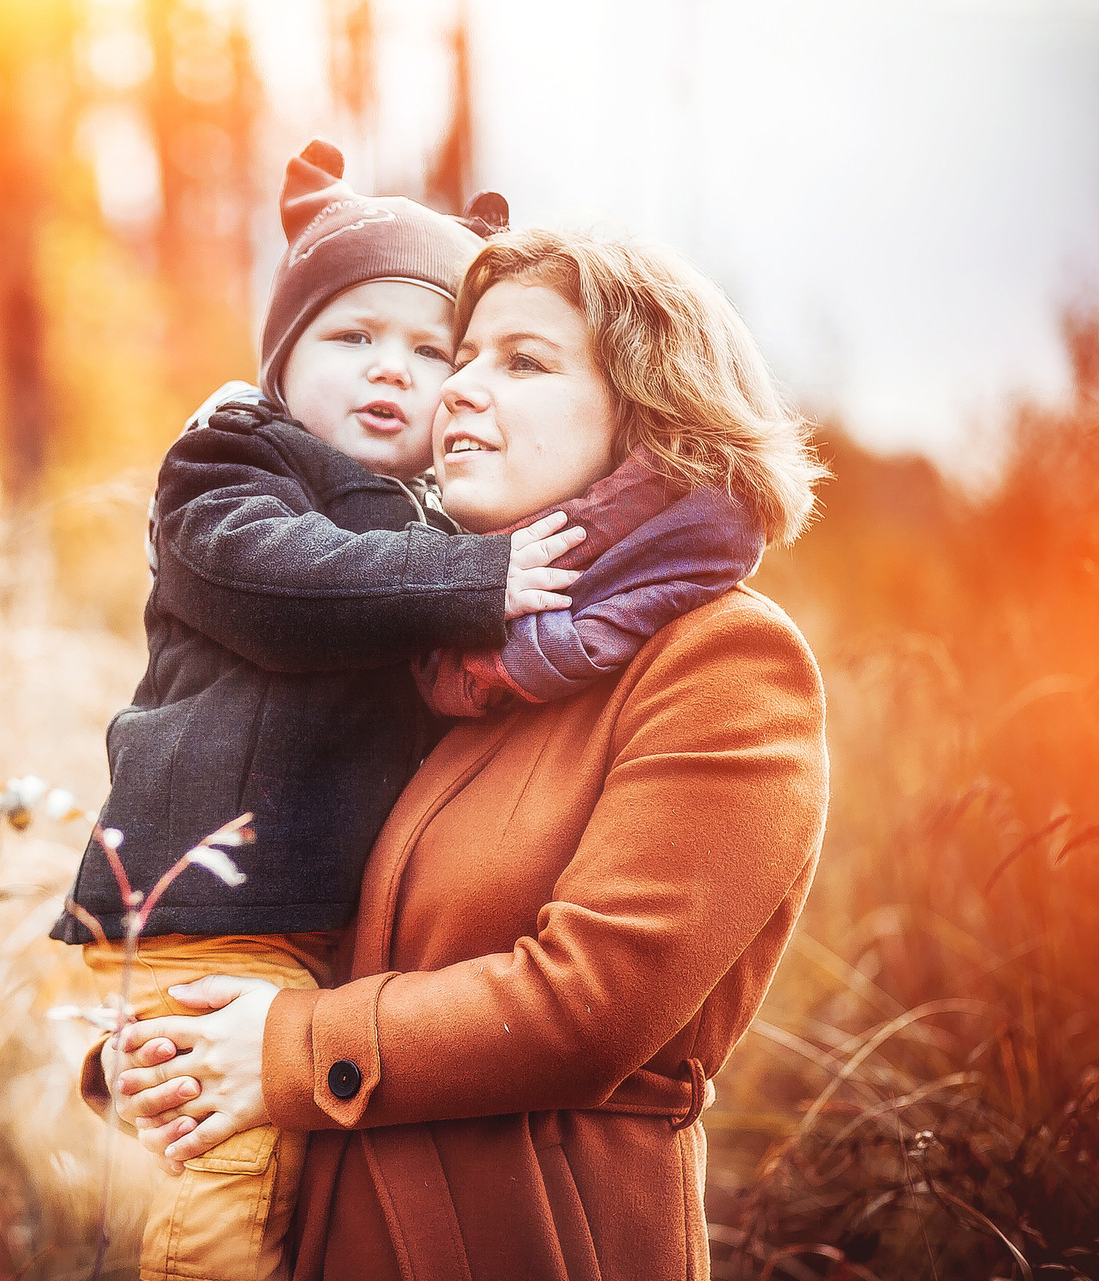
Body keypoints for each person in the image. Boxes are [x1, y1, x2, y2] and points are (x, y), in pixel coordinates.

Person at [99, 228, 832, 1281]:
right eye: (467, 355)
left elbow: (592, 1007)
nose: (456, 391)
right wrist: (170, 1038)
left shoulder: (725, 660)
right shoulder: (453, 659)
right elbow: (329, 930)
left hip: (538, 1238)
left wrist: (282, 1049)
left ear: (653, 418)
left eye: (522, 362)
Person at [48, 140, 586, 1281]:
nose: (390, 371)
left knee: (317, 1192)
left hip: (330, 935)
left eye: (429, 349)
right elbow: (285, 587)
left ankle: (122, 1074)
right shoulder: (229, 465)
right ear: (284, 364)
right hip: (223, 903)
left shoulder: (442, 507)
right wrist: (474, 583)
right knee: (234, 1180)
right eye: (350, 339)